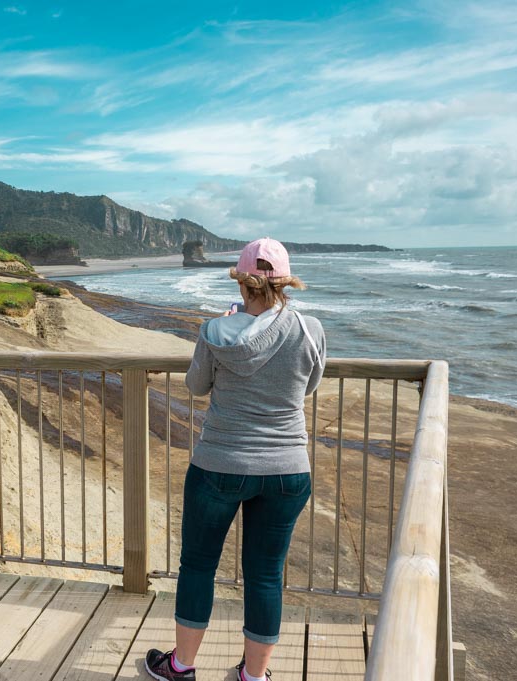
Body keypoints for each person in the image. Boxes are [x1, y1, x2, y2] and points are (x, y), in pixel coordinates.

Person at [145, 237, 326, 681]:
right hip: (287, 468)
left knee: (198, 565)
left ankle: (181, 666)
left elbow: (196, 386)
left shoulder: (214, 331)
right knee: (265, 575)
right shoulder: (310, 329)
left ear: (241, 284)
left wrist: (228, 331)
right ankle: (254, 675)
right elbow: (308, 386)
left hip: (219, 463)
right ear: (285, 283)